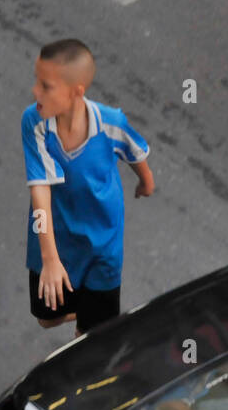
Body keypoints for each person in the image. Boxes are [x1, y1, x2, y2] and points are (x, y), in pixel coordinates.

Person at [23, 39, 154, 336]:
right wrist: (50, 260)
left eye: (46, 86)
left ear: (76, 92)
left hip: (102, 242)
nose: (35, 92)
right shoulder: (35, 123)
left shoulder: (111, 123)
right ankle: (89, 308)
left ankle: (94, 317)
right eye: (37, 81)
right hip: (56, 239)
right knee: (46, 318)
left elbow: (135, 152)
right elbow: (40, 189)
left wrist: (146, 181)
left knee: (92, 336)